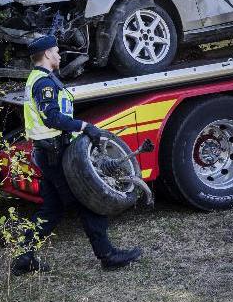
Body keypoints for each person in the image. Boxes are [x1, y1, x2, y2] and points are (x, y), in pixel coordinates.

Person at [10, 35, 143, 276]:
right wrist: (84, 126)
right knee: (87, 200)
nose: (60, 56)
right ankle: (108, 255)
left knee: (51, 209)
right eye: (57, 52)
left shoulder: (41, 79)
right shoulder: (44, 83)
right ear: (48, 54)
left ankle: (24, 257)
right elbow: (51, 117)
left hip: (47, 152)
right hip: (55, 154)